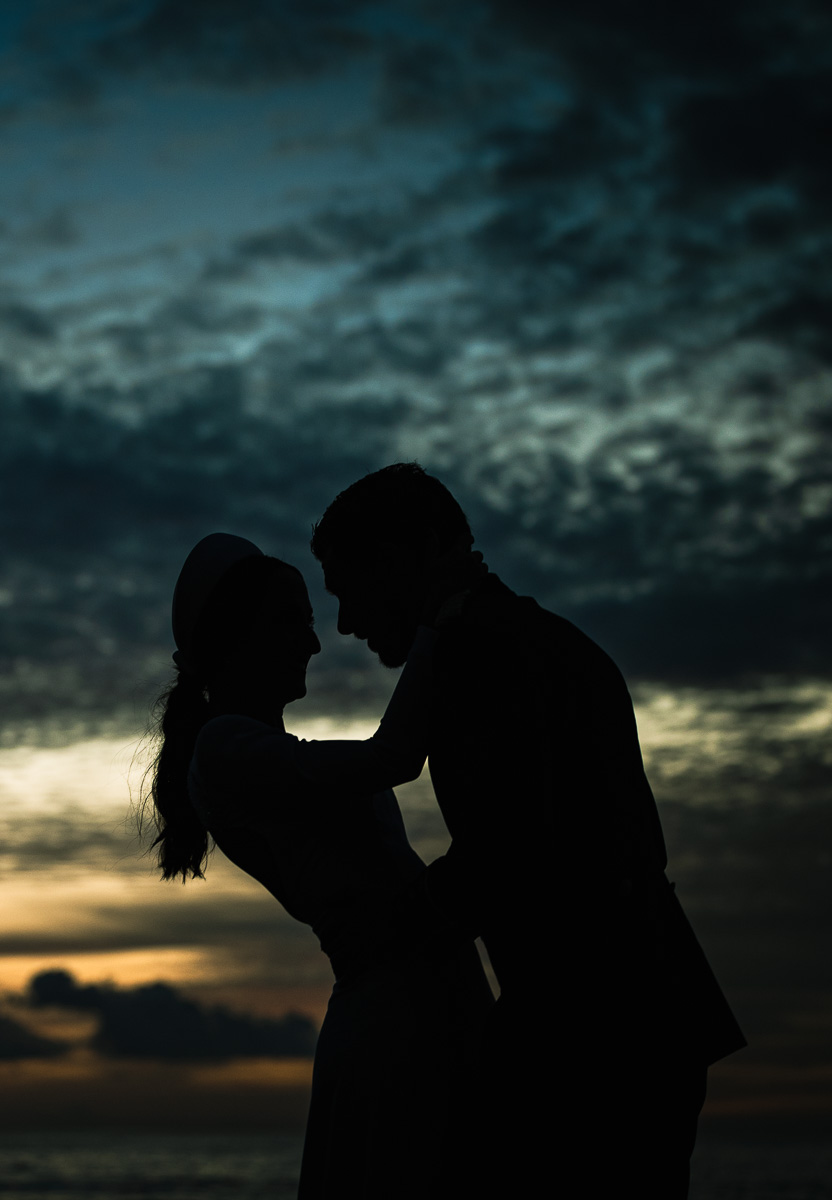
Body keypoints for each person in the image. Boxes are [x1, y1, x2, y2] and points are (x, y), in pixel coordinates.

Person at [309, 464, 744, 1198]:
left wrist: (392, 925)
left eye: (348, 589)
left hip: (593, 1026)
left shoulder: (482, 652)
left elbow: (509, 853)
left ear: (408, 555)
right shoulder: (548, 640)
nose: (346, 623)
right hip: (641, 1005)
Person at [149, 532, 493, 1199]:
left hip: (419, 1003)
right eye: (295, 621)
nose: (313, 642)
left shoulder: (259, 752)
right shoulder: (225, 749)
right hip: (396, 1022)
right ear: (238, 636)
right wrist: (439, 618)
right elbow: (394, 757)